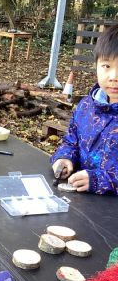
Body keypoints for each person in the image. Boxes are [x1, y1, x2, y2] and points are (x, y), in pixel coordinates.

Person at [51, 24, 118, 194]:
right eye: (106, 66)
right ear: (96, 65)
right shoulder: (87, 106)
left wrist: (99, 180)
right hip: (81, 202)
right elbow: (71, 141)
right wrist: (64, 158)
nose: (114, 77)